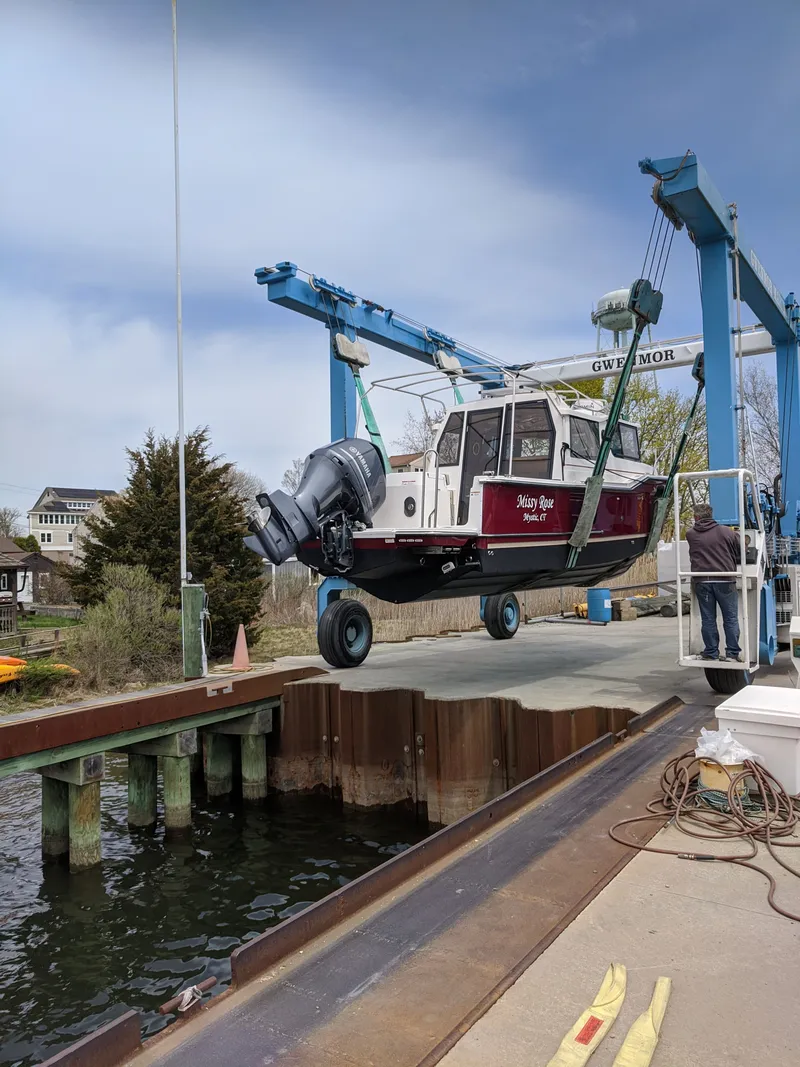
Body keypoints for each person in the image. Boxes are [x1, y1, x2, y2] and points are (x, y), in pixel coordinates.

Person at [685, 503, 742, 662]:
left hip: (702, 581)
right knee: (730, 618)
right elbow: (741, 549)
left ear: (696, 517)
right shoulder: (726, 531)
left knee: (708, 619)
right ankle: (732, 654)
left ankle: (711, 652)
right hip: (725, 579)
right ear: (711, 515)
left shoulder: (690, 534)